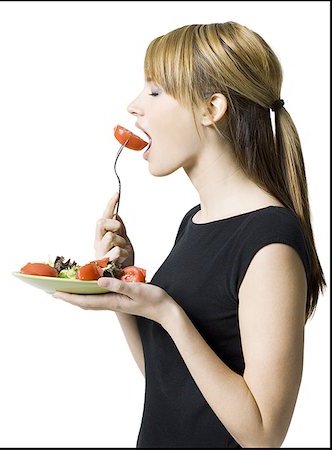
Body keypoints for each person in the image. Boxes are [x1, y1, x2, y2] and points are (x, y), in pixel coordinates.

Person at [53, 22, 326, 448]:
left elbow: (263, 435)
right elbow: (171, 384)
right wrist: (122, 282)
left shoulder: (270, 240)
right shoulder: (193, 221)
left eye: (156, 91)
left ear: (211, 108)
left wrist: (168, 313)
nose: (134, 106)